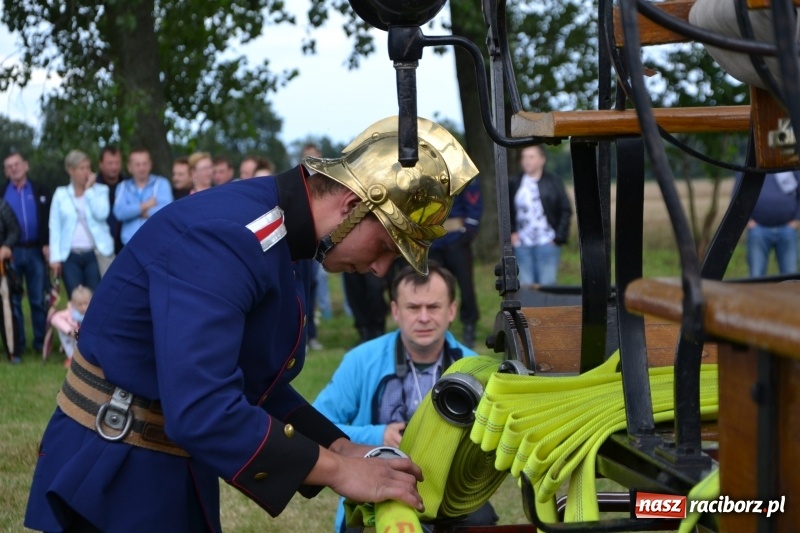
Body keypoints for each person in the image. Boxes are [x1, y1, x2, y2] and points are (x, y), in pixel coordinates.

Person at [25, 115, 479, 532]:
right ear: (351, 206)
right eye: (384, 246)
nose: (381, 269)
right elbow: (203, 407)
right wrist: (341, 471)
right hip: (115, 476)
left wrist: (339, 446)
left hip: (155, 465)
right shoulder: (233, 237)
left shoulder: (273, 232)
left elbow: (253, 380)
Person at [313, 263, 498, 532]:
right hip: (374, 487)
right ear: (396, 311)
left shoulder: (475, 368)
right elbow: (316, 426)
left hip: (451, 492)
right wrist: (378, 437)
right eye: (413, 307)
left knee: (482, 521)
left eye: (433, 307)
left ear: (452, 311)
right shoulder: (360, 361)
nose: (423, 317)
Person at [2, 151, 51, 362]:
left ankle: (41, 343)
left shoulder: (40, 189)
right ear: (5, 171)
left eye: (17, 164)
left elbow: (49, 219)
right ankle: (18, 346)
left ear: (26, 165)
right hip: (11, 252)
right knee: (13, 301)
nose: (14, 168)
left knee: (38, 299)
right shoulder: (3, 192)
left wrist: (47, 244)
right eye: (9, 166)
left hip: (36, 251)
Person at [49, 150, 114, 296]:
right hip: (70, 255)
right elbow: (55, 227)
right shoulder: (61, 194)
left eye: (88, 168)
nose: (86, 172)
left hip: (94, 253)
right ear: (70, 170)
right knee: (76, 298)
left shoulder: (101, 190)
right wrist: (55, 258)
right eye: (82, 168)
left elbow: (102, 213)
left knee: (96, 297)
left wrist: (89, 191)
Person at [428, 175, 483, 348]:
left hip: (456, 240)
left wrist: (468, 232)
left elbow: (474, 202)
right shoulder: (420, 174)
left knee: (465, 286)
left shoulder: (458, 174)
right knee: (433, 287)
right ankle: (437, 325)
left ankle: (469, 325)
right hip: (432, 242)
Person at [509, 145, 572, 287]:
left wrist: (558, 237)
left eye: (531, 157)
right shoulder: (515, 182)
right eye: (524, 157)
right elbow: (508, 210)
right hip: (522, 244)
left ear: (542, 159)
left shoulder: (553, 182)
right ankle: (529, 311)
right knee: (526, 287)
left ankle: (548, 310)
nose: (527, 161)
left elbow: (565, 209)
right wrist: (512, 232)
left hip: (547, 242)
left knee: (547, 286)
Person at [739, 170, 800, 277]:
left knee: (791, 276)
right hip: (758, 230)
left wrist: (797, 219)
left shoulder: (789, 166)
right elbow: (738, 194)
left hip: (788, 229)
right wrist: (747, 221)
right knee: (756, 276)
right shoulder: (751, 167)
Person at [113, 148, 173, 246]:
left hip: (157, 244)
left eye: (145, 163)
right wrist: (145, 205)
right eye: (137, 164)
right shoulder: (123, 186)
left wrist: (134, 212)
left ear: (150, 165)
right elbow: (119, 212)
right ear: (129, 167)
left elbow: (166, 211)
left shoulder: (161, 183)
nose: (142, 168)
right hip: (129, 245)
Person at [49, 284, 92, 367]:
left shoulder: (93, 314)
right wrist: (69, 331)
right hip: (75, 335)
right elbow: (54, 318)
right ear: (74, 304)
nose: (83, 307)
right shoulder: (70, 313)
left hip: (88, 337)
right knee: (63, 329)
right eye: (80, 304)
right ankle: (72, 357)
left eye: (86, 303)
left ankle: (86, 358)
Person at [95, 146, 128, 254]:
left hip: (124, 244)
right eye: (110, 163)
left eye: (117, 162)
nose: (114, 167)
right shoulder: (92, 186)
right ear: (101, 164)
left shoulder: (128, 185)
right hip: (99, 247)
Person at [0, 196, 20, 361]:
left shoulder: (1, 204)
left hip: (1, 266)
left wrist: (6, 246)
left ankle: (13, 352)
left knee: (6, 308)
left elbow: (14, 229)